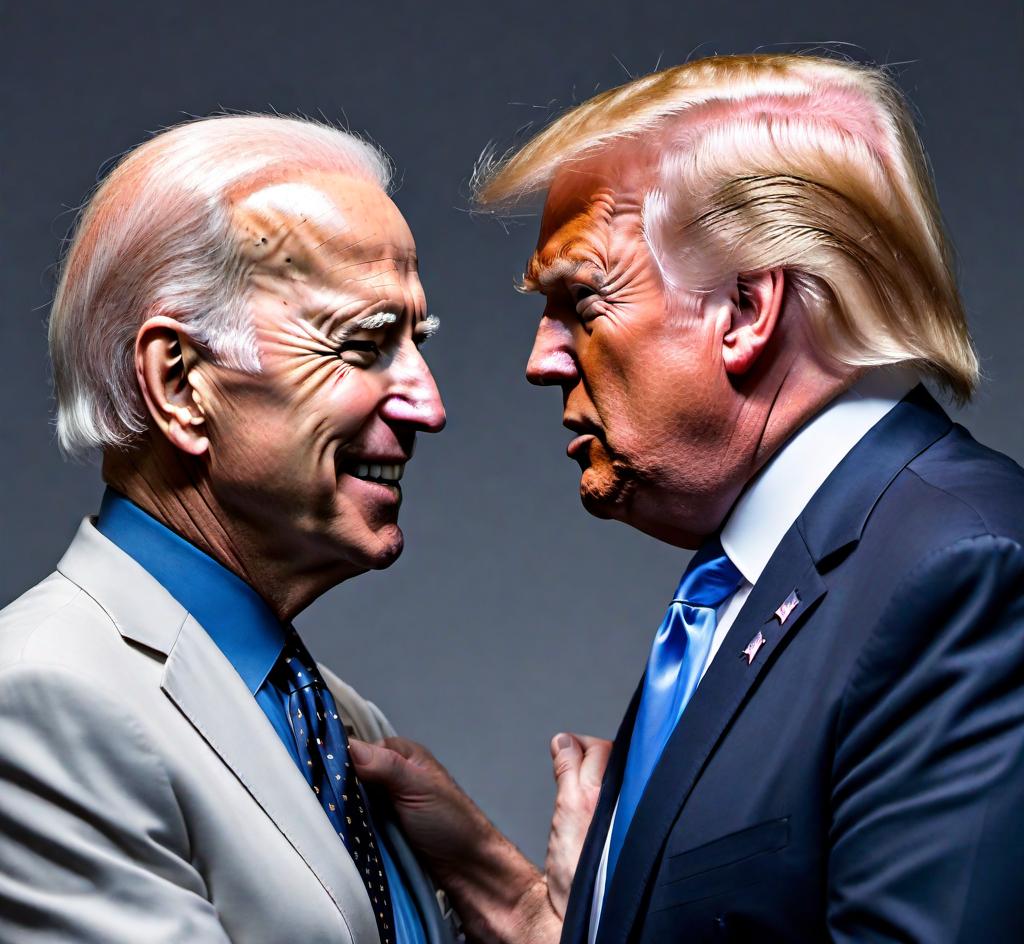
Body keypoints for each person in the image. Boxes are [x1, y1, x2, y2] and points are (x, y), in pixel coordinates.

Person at [351, 54, 1024, 942]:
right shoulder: (763, 576)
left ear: (746, 307)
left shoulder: (962, 571)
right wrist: (523, 905)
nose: (541, 360)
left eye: (580, 301)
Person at [0, 115, 457, 943]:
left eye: (415, 343)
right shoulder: (39, 701)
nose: (429, 404)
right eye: (366, 345)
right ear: (179, 383)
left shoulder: (339, 722)